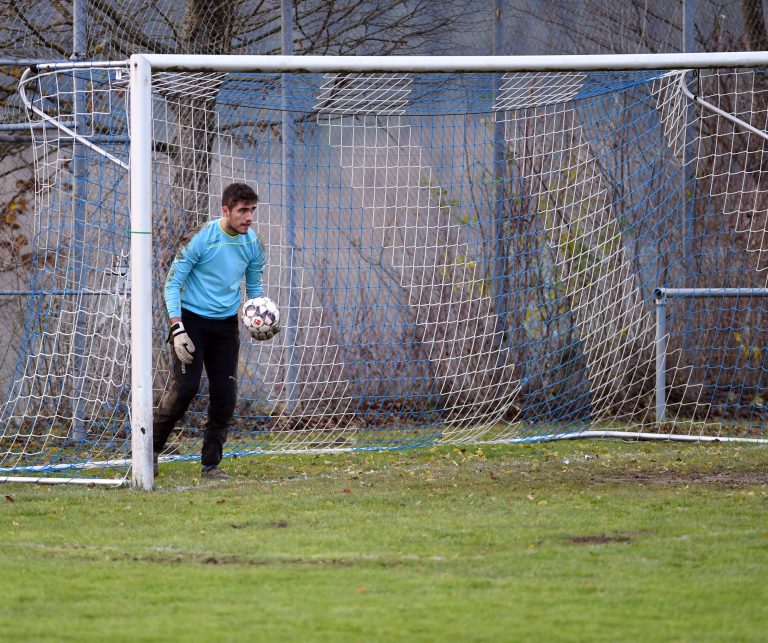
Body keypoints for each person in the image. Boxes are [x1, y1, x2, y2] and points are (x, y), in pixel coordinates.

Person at [153, 182, 273, 480]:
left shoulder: (253, 245)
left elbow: (254, 289)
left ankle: (211, 466)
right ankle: (149, 451)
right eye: (242, 211)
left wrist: (257, 317)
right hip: (191, 322)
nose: (249, 217)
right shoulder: (201, 239)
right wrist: (177, 328)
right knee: (185, 389)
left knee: (225, 395)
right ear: (226, 210)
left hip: (225, 327)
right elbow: (171, 284)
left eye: (252, 210)